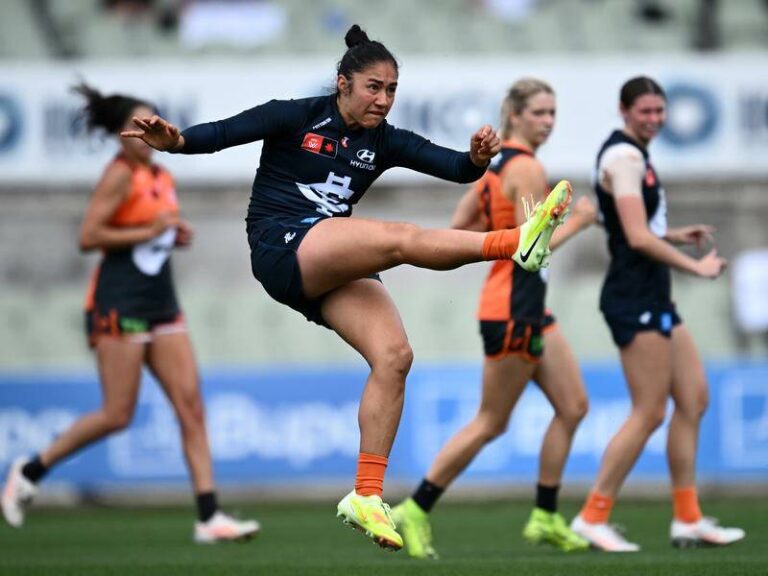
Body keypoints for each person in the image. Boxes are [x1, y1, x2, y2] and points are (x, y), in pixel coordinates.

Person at [119, 24, 572, 551]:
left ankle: (366, 494)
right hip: (281, 244)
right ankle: (517, 241)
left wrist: (476, 158)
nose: (384, 99)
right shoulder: (295, 114)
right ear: (343, 84)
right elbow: (216, 134)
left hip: (328, 259)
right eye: (373, 87)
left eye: (392, 90)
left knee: (395, 356)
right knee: (398, 237)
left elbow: (455, 169)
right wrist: (173, 140)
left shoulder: (384, 141)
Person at [1, 83, 260, 544]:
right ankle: (30, 470)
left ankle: (208, 516)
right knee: (117, 414)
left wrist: (169, 236)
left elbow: (152, 233)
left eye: (151, 124)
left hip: (162, 302)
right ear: (121, 135)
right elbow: (89, 236)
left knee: (191, 406)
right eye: (137, 127)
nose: (146, 132)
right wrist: (149, 230)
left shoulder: (162, 176)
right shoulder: (118, 174)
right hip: (120, 302)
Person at [391, 78, 596, 559]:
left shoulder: (491, 170)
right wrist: (582, 222)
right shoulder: (527, 169)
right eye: (539, 113)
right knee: (490, 422)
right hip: (514, 305)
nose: (547, 121)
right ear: (515, 115)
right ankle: (415, 508)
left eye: (552, 113)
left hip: (525, 307)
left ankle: (545, 515)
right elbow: (532, 247)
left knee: (574, 406)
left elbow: (460, 231)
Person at [569, 76, 745, 551]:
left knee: (694, 398)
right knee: (649, 412)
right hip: (633, 296)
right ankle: (592, 515)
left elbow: (639, 230)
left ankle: (688, 518)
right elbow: (637, 237)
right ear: (624, 111)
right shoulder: (623, 159)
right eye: (644, 111)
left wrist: (675, 233)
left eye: (659, 111)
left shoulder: (634, 155)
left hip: (652, 293)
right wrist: (698, 267)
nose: (654, 119)